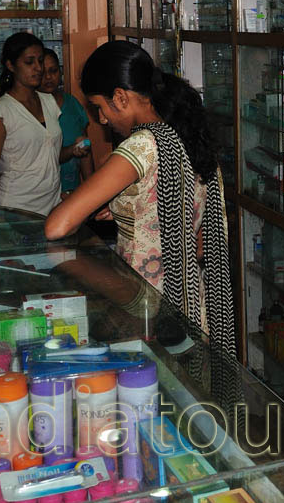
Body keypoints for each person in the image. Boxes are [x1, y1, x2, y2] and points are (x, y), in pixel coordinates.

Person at [44, 41, 232, 359]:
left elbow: (56, 227)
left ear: (121, 97)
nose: (102, 120)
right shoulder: (186, 132)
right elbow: (194, 234)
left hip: (147, 307)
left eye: (100, 108)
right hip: (191, 305)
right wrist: (122, 208)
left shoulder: (140, 147)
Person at [0, 32, 87, 215]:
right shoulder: (2, 111)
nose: (38, 68)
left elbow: (48, 155)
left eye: (40, 61)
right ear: (11, 65)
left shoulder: (50, 103)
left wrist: (73, 150)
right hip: (15, 207)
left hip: (52, 204)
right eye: (29, 62)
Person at [40, 48, 92, 194]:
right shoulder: (31, 109)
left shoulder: (72, 104)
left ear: (61, 72)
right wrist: (71, 151)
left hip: (71, 192)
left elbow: (85, 152)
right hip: (41, 196)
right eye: (43, 73)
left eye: (53, 71)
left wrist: (90, 191)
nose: (49, 77)